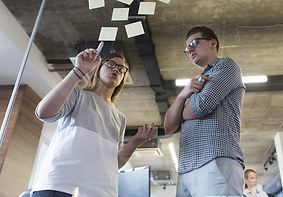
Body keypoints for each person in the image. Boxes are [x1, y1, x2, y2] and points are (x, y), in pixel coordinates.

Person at [31, 48, 156, 197]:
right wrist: (79, 71)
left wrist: (135, 142)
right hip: (61, 184)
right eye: (110, 64)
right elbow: (43, 113)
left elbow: (114, 162)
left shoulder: (120, 118)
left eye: (121, 69)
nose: (116, 69)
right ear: (98, 69)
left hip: (101, 191)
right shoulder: (79, 95)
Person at [164, 26, 246, 197]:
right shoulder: (195, 84)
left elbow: (200, 107)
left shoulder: (225, 65)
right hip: (186, 167)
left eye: (194, 43)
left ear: (212, 43)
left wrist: (184, 110)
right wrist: (181, 96)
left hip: (215, 159)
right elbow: (169, 126)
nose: (190, 49)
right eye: (187, 48)